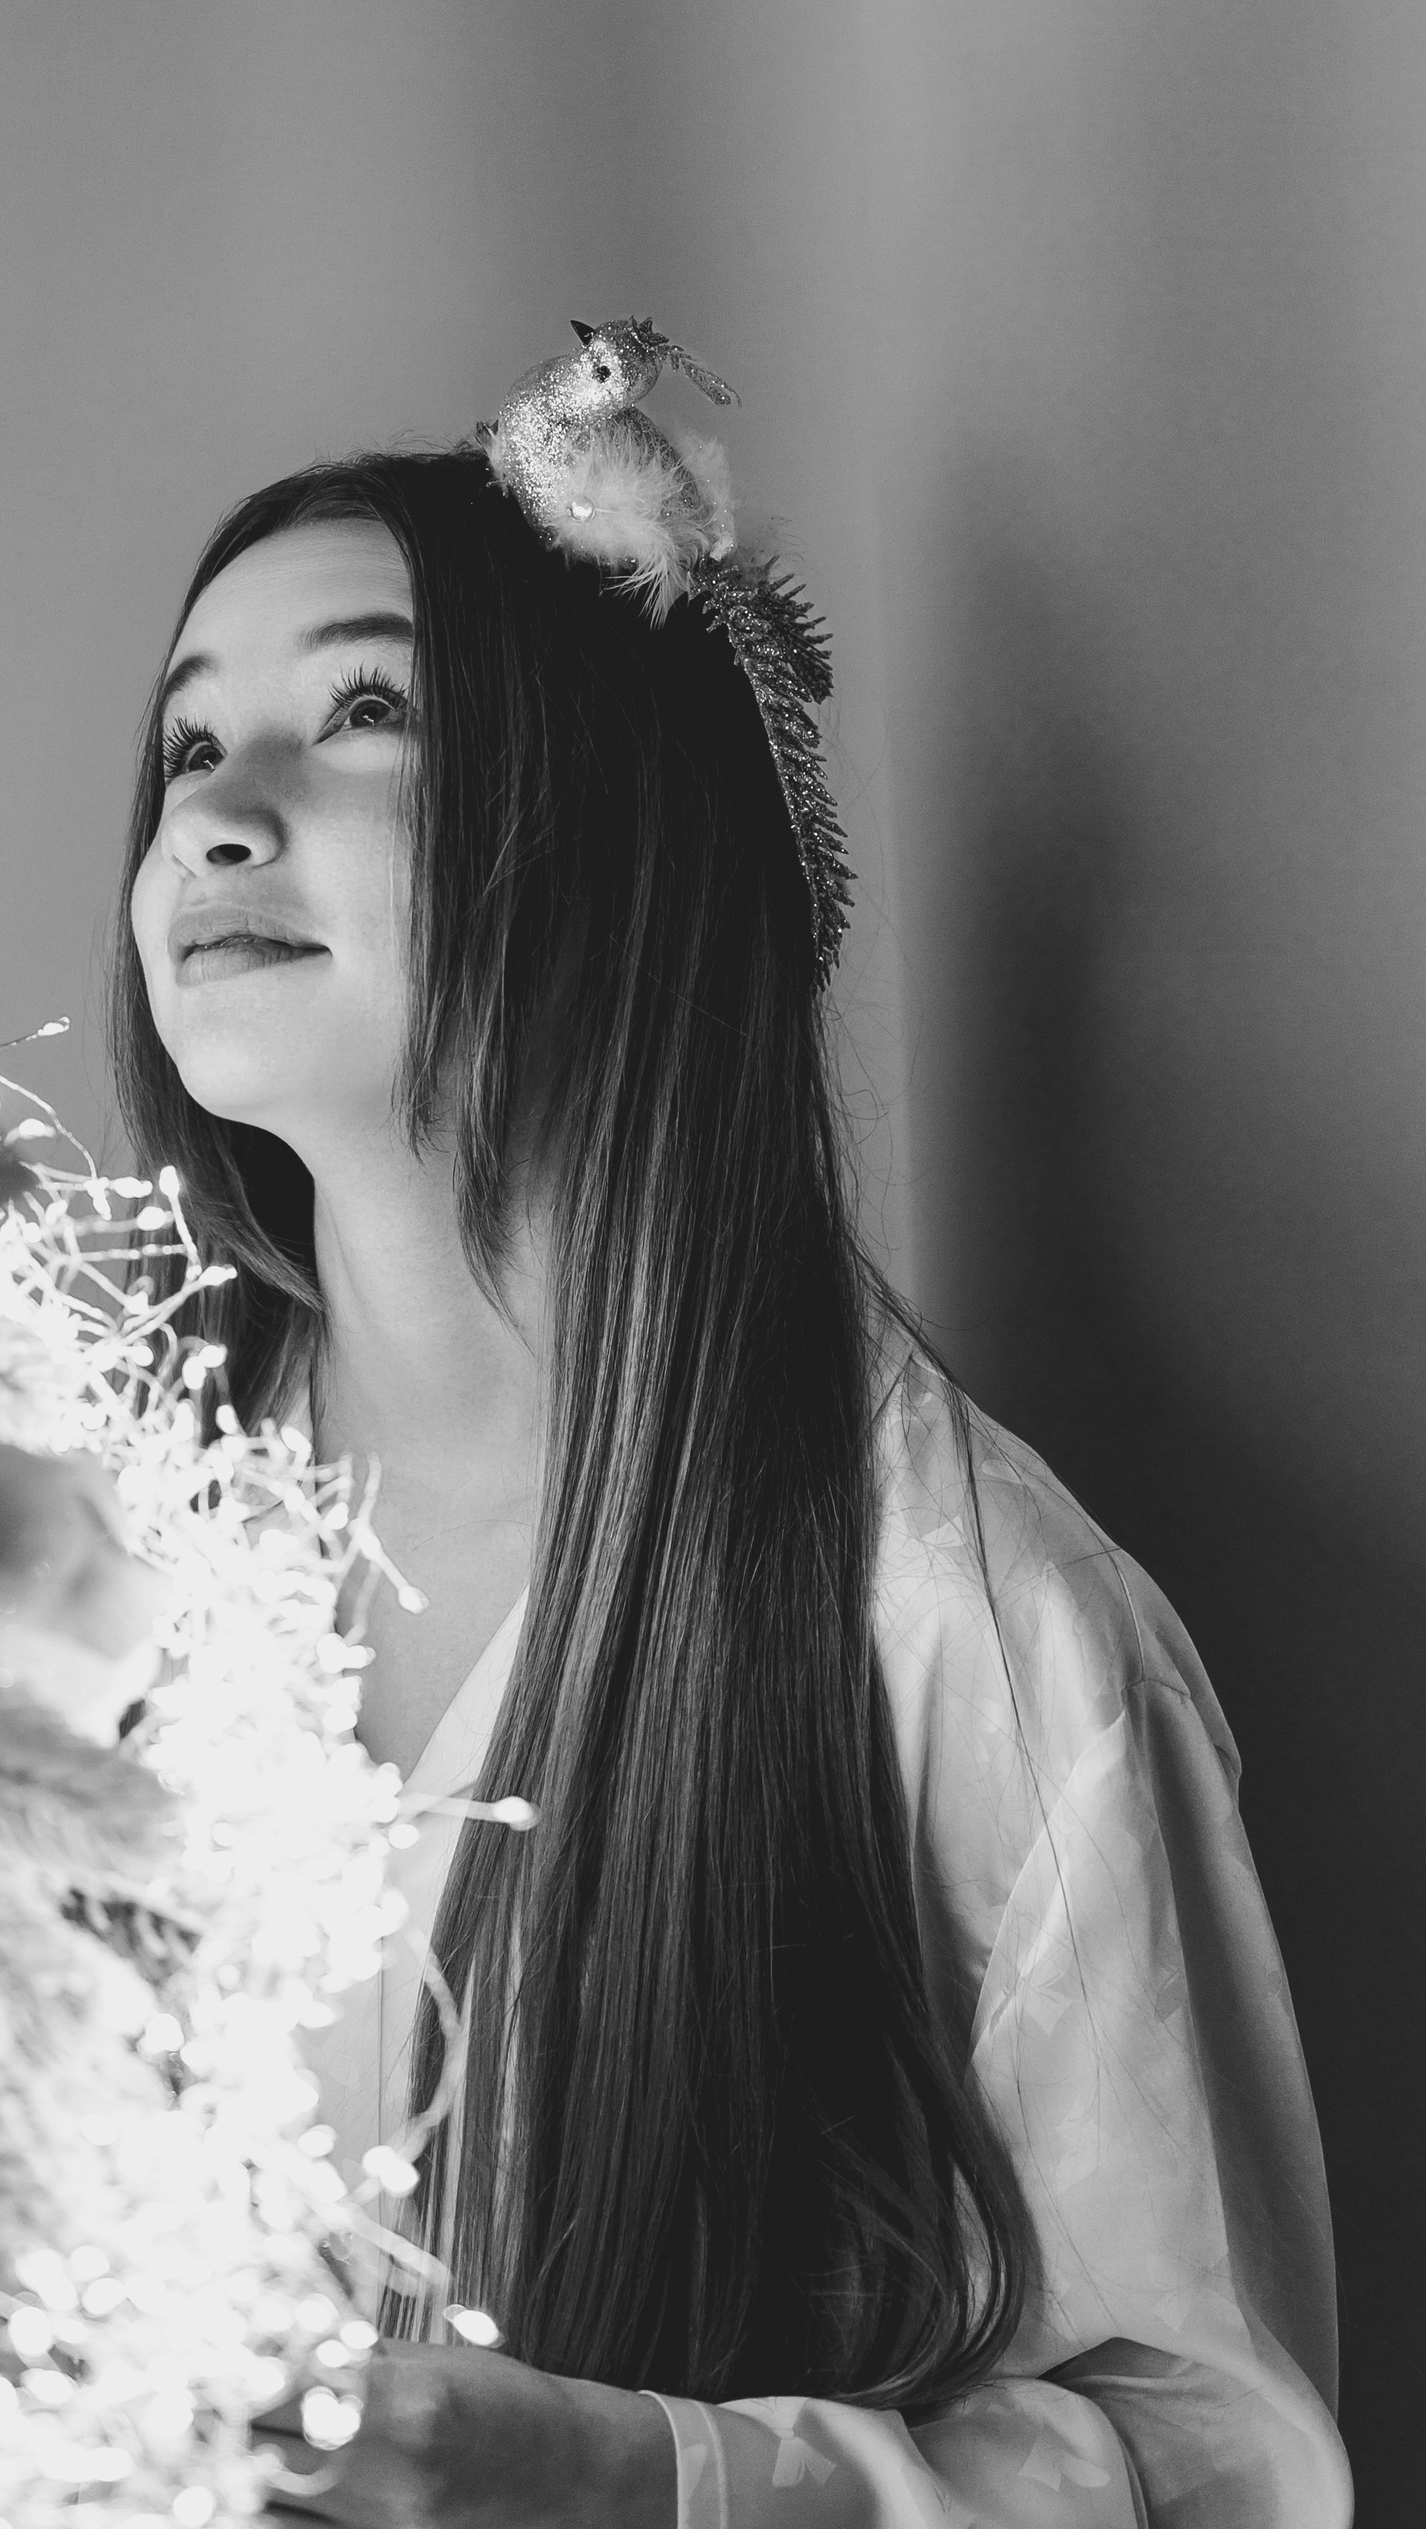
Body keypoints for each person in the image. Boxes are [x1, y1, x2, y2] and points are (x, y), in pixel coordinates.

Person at [113, 433, 1352, 2529]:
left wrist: (649, 2480)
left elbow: (1223, 2469)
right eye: (189, 744)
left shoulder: (979, 1635)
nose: (220, 814)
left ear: (618, 835)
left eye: (367, 709)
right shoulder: (103, 1525)